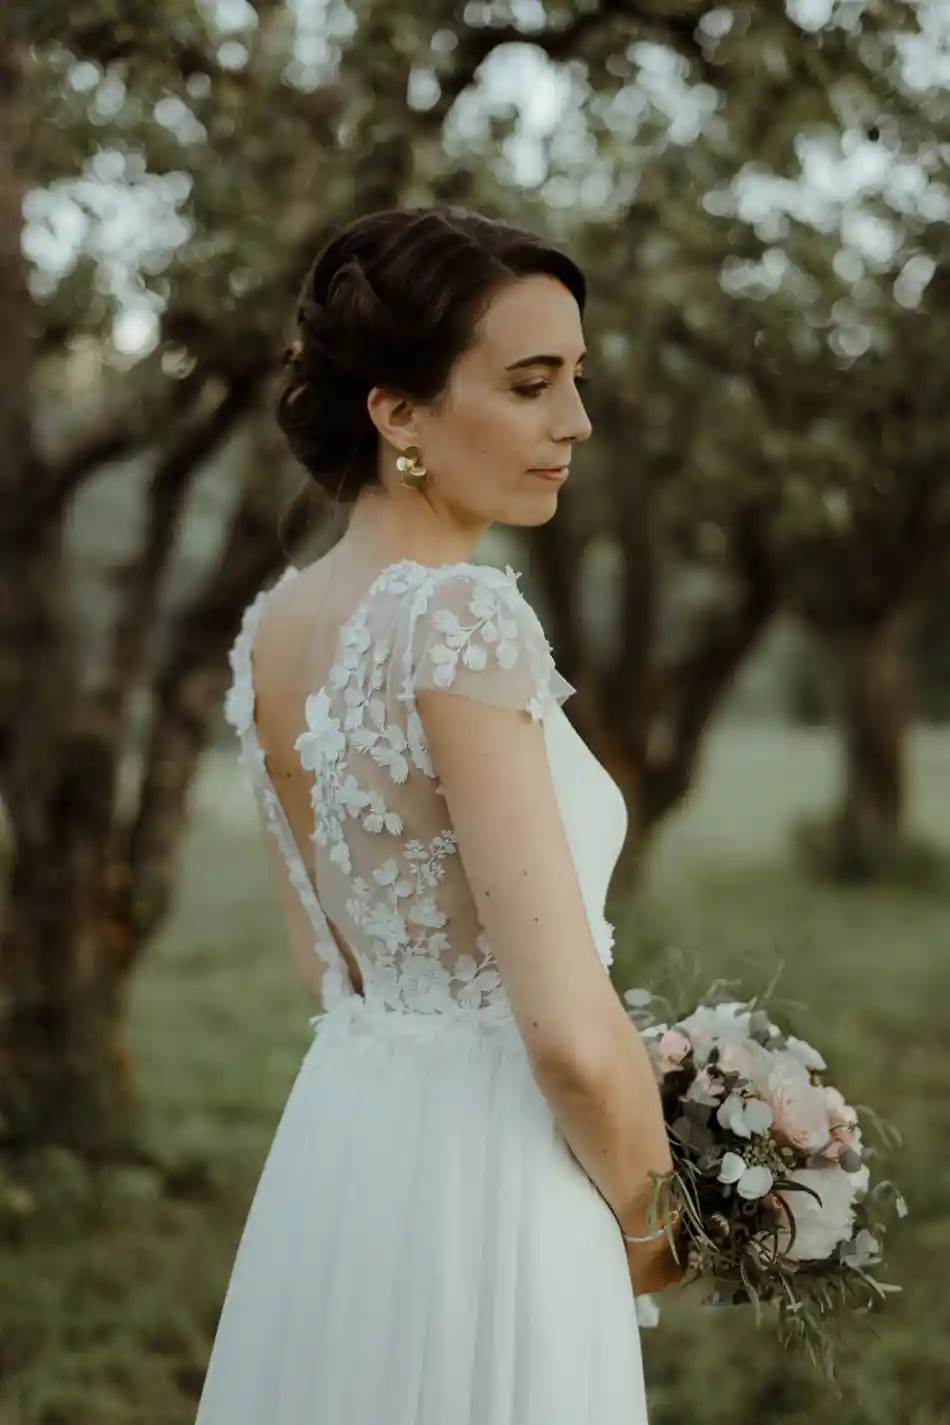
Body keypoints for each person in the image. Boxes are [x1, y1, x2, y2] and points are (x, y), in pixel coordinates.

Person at [197, 206, 682, 1425]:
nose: (573, 422)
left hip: (347, 1155)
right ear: (396, 410)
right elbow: (566, 1035)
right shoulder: (456, 620)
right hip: (495, 1180)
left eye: (575, 379)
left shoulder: (277, 629)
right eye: (528, 384)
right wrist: (658, 1220)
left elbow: (334, 965)